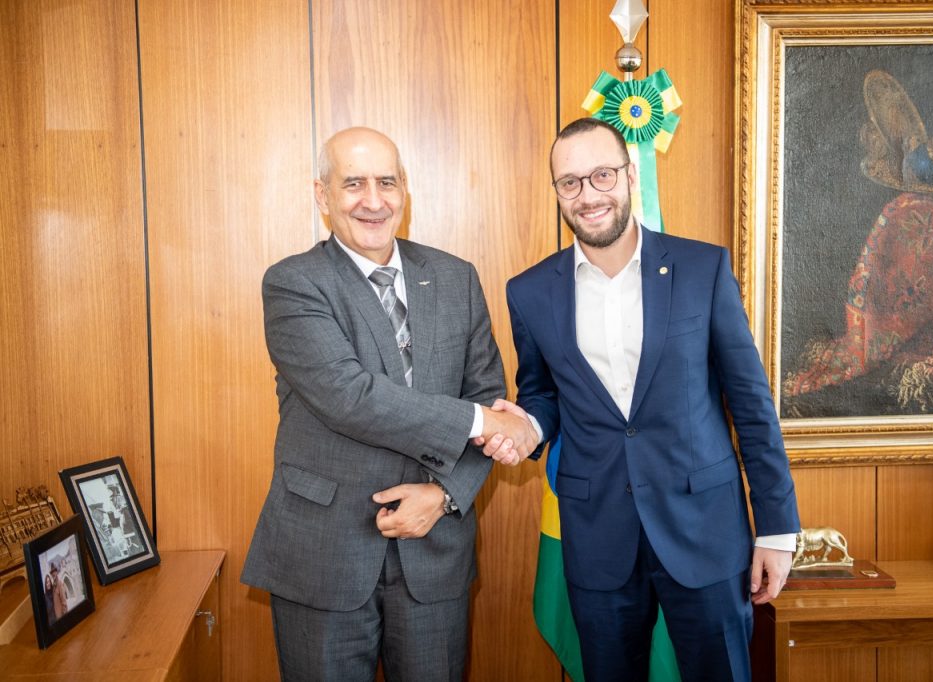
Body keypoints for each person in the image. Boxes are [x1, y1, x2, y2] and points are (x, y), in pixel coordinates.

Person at [481, 118, 801, 681]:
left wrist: (776, 529)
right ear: (557, 192)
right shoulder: (528, 292)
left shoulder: (703, 269)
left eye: (602, 175)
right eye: (570, 182)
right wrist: (530, 425)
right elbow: (543, 394)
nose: (588, 195)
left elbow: (751, 406)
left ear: (631, 176)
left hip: (705, 531)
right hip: (598, 536)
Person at [241, 127, 536, 681]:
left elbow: (485, 392)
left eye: (386, 182)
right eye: (353, 184)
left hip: (435, 553)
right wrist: (484, 421)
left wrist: (444, 497)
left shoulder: (455, 278)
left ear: (405, 189)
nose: (373, 201)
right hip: (324, 555)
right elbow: (350, 396)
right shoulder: (293, 283)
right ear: (322, 195)